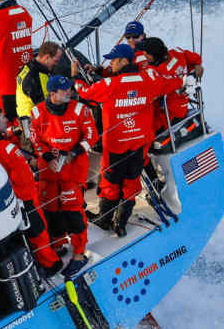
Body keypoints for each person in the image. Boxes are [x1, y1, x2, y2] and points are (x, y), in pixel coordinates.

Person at [71, 43, 183, 237]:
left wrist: (75, 76)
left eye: (114, 60)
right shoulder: (148, 80)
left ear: (124, 61)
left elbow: (84, 92)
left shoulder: (110, 85)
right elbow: (173, 82)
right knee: (131, 183)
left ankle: (105, 220)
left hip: (115, 145)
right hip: (138, 143)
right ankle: (120, 223)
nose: (111, 64)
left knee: (109, 184)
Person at [0, 106, 62, 275]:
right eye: (3, 118)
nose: (6, 119)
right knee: (39, 231)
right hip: (23, 198)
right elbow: (25, 179)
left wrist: (14, 131)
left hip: (0, 198)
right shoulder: (9, 150)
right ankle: (51, 264)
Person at [30, 76, 98, 276]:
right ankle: (58, 246)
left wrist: (74, 152)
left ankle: (79, 255)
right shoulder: (36, 112)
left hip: (72, 170)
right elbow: (35, 139)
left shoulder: (80, 110)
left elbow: (92, 136)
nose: (70, 92)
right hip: (48, 171)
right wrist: (47, 156)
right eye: (65, 90)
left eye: (69, 88)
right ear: (52, 94)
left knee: (73, 212)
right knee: (51, 209)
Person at [16, 41, 63, 121]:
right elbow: (47, 108)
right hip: (35, 123)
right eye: (55, 61)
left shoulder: (29, 66)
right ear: (47, 57)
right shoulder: (34, 78)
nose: (57, 64)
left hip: (28, 118)